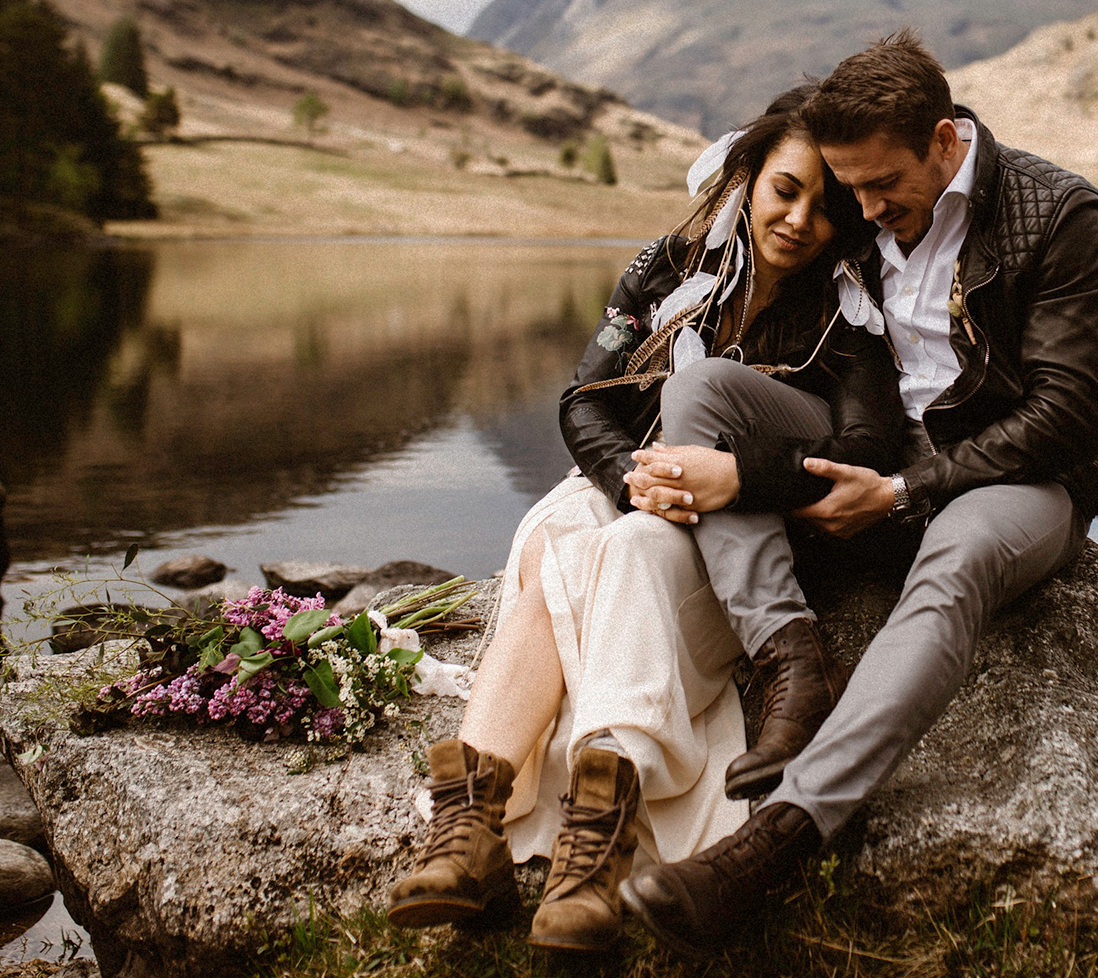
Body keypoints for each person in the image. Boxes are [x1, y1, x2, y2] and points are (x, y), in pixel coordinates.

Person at [619, 29, 1098, 958]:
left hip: (1017, 470)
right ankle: (793, 665)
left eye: (878, 187)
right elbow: (745, 198)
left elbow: (1076, 413)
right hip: (873, 445)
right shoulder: (867, 188)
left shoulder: (1058, 214)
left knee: (962, 555)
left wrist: (906, 489)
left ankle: (781, 836)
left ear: (945, 141)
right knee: (700, 390)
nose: (860, 208)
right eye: (847, 185)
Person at [383, 86, 903, 953]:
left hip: (751, 523)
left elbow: (866, 445)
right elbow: (585, 399)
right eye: (786, 189)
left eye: (826, 205)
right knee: (560, 534)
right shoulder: (667, 263)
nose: (801, 220)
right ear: (746, 173)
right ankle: (467, 827)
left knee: (623, 551)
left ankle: (591, 852)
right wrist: (637, 481)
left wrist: (727, 480)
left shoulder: (849, 307)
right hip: (640, 479)